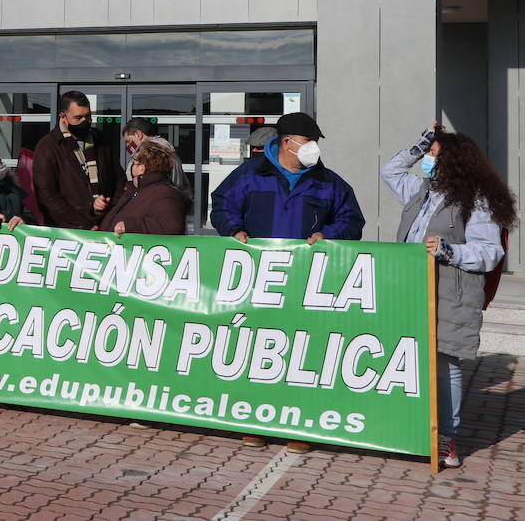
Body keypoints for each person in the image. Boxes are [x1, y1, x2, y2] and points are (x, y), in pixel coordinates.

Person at [210, 111, 364, 452]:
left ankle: (301, 425)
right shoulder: (250, 176)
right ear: (287, 143)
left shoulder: (328, 182)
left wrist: (329, 234)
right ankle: (255, 422)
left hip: (306, 283)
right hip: (260, 281)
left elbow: (352, 221)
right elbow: (221, 205)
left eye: (315, 143)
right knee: (258, 350)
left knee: (303, 353)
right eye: (309, 142)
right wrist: (234, 229)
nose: (314, 149)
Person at [382, 122, 514, 469]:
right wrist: (420, 142)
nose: (427, 160)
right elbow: (390, 170)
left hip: (451, 292)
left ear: (454, 162)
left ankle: (447, 438)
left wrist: (450, 252)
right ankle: (415, 428)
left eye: (433, 155)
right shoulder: (421, 190)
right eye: (427, 154)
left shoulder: (478, 200)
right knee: (410, 358)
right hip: (411, 289)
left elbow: (490, 252)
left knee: (445, 362)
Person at [31, 91, 120, 230]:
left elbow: (118, 180)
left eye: (88, 116)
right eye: (78, 118)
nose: (84, 121)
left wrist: (112, 212)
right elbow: (47, 195)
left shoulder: (101, 140)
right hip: (68, 231)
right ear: (63, 116)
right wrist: (84, 224)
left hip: (105, 225)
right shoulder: (47, 146)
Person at [100, 140, 187, 236]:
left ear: (141, 167)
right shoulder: (133, 190)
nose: (131, 166)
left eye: (134, 161)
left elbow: (172, 227)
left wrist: (132, 226)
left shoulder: (164, 193)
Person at [121, 117, 191, 202]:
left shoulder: (151, 154)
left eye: (128, 141)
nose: (128, 145)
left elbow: (146, 184)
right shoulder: (167, 150)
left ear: (138, 134)